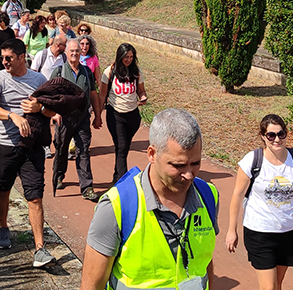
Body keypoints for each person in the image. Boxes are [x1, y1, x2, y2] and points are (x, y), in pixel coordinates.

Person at [80, 108, 219, 290]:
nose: (189, 175)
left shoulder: (208, 195)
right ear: (152, 154)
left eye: (195, 163)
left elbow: (204, 263)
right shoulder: (117, 206)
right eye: (178, 165)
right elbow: (91, 285)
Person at [0, 39, 56, 267]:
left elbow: (52, 110)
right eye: (2, 58)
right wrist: (12, 116)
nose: (3, 62)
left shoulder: (38, 79)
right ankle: (3, 226)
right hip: (5, 145)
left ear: (22, 57)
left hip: (32, 147)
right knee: (3, 188)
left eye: (8, 58)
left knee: (35, 196)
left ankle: (40, 248)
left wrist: (40, 108)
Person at [225, 114, 293, 290]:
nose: (277, 139)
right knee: (268, 288)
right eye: (271, 135)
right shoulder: (252, 161)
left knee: (277, 285)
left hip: (289, 231)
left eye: (281, 134)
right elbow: (237, 195)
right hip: (260, 232)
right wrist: (232, 230)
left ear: (286, 134)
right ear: (263, 136)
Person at [50, 38, 103, 202]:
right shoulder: (59, 71)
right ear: (66, 53)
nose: (74, 53)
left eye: (77, 51)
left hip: (83, 118)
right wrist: (55, 113)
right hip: (64, 119)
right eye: (71, 51)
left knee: (83, 151)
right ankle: (58, 176)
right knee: (61, 149)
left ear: (81, 53)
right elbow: (50, 95)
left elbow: (93, 94)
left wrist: (98, 115)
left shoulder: (87, 72)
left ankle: (87, 187)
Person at [100, 43, 147, 181]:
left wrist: (143, 97)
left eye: (131, 57)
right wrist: (98, 115)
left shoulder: (136, 72)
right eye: (126, 57)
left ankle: (117, 174)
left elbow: (141, 91)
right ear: (120, 56)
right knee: (121, 147)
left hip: (132, 115)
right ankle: (122, 182)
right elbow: (102, 94)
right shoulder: (110, 71)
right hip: (115, 114)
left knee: (124, 147)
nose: (129, 60)